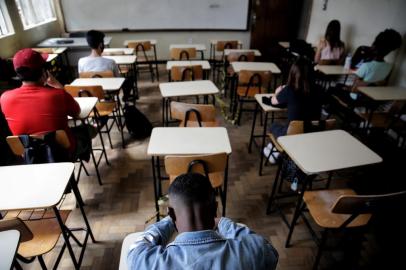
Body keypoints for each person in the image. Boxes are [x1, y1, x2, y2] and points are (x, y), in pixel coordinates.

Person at [127, 173, 279, 270]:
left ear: (172, 214)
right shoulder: (251, 254)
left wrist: (169, 220)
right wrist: (224, 223)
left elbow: (135, 248)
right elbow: (269, 251)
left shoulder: (150, 263)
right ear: (215, 210)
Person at [0, 48, 93, 160]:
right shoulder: (57, 95)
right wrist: (58, 85)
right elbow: (76, 112)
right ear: (44, 71)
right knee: (88, 129)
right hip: (62, 152)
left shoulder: (4, 98)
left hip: (30, 155)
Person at [263, 58, 322, 163]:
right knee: (290, 126)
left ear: (293, 73)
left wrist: (277, 92)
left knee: (273, 126)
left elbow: (273, 101)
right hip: (312, 134)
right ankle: (275, 150)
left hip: (292, 136)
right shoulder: (319, 89)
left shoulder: (289, 90)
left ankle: (275, 152)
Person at [329, 28, 402, 106]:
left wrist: (347, 87)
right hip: (369, 100)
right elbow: (377, 83)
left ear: (374, 46)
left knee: (333, 88)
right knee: (340, 86)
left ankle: (329, 109)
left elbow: (354, 88)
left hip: (355, 99)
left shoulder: (367, 66)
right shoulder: (389, 67)